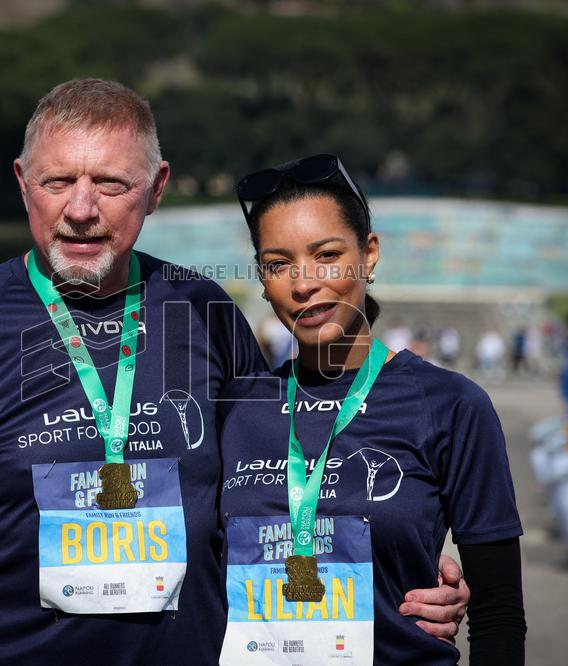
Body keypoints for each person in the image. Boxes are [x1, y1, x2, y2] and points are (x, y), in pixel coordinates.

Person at [0, 79, 468, 664]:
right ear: (22, 182)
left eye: (111, 184)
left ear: (157, 187)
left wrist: (406, 573)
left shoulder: (205, 312)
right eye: (58, 181)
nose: (80, 208)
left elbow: (280, 489)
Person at [217, 154, 525, 664]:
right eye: (278, 265)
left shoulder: (452, 406)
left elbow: (498, 616)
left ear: (370, 255)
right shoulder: (234, 409)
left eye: (326, 255)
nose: (303, 283)